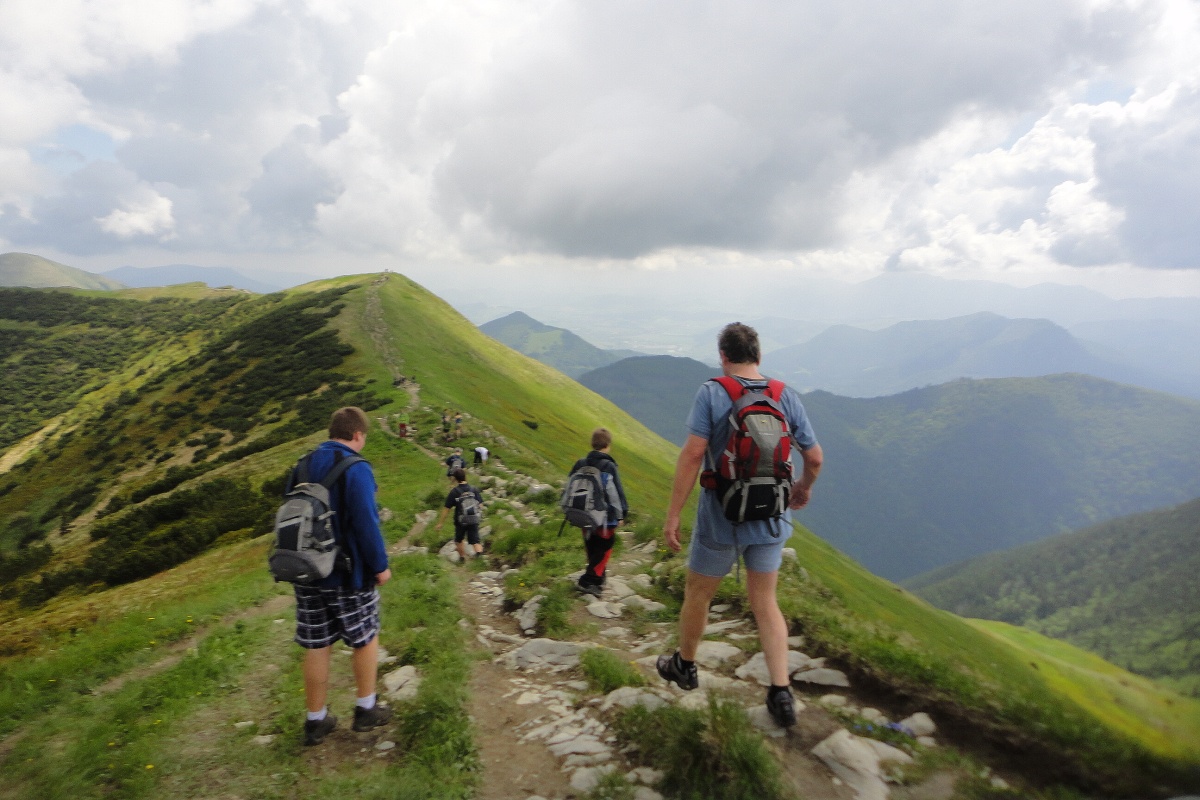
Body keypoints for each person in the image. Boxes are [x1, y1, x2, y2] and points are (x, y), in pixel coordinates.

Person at [657, 323, 823, 729]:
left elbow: (694, 454)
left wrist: (674, 513)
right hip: (771, 518)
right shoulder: (785, 396)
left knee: (698, 594)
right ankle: (781, 692)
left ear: (723, 357)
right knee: (766, 602)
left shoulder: (713, 392)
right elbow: (815, 457)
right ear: (759, 357)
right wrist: (803, 487)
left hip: (721, 518)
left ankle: (686, 666)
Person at [291, 407, 393, 746]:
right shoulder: (356, 467)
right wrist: (379, 565)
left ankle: (316, 720)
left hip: (307, 571)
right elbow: (366, 521)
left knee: (317, 643)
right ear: (358, 435)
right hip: (347, 574)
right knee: (364, 636)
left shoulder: (302, 465)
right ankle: (366, 709)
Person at [569, 427, 629, 596]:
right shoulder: (608, 465)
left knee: (591, 544)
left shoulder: (581, 463)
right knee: (605, 546)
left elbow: (570, 484)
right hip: (605, 516)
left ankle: (598, 576)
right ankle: (590, 580)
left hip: (582, 513)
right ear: (608, 445)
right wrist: (621, 514)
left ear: (592, 443)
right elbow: (614, 492)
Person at [435, 469, 485, 561]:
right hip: (474, 519)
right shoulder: (473, 489)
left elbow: (446, 509)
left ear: (456, 479)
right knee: (475, 541)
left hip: (460, 521)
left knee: (459, 540)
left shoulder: (454, 492)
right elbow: (481, 505)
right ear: (465, 476)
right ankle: (479, 557)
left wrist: (440, 523)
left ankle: (462, 558)